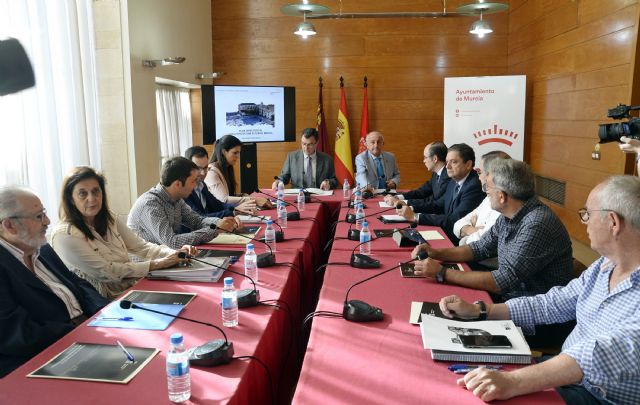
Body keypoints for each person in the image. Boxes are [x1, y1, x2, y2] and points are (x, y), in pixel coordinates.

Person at [439, 175, 640, 404]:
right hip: (563, 373)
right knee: (464, 379)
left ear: (613, 222)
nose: (584, 222)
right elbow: (552, 303)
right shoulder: (604, 265)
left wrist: (514, 382)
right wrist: (482, 311)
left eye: (587, 214)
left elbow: (600, 354)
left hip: (601, 396)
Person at [411, 158, 574, 346]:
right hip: (510, 298)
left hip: (537, 318)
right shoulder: (510, 214)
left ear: (502, 196)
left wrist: (442, 272)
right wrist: (436, 253)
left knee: (445, 329)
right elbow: (479, 248)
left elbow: (501, 281)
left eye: (487, 189)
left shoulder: (536, 224)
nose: (485, 194)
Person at [0, 186, 108, 377]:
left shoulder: (41, 248)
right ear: (9, 225)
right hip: (44, 357)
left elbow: (77, 284)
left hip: (88, 333)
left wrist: (106, 312)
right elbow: (18, 334)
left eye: (44, 213)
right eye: (38, 216)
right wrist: (81, 331)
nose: (48, 221)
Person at [50, 167, 194, 300]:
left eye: (96, 191)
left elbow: (141, 247)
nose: (92, 198)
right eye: (82, 193)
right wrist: (156, 264)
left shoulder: (109, 218)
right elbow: (108, 272)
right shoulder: (65, 235)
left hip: (130, 290)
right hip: (103, 303)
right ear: (70, 198)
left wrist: (176, 253)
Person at [128, 156, 239, 249]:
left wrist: (220, 223)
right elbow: (172, 242)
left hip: (166, 259)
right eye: (193, 181)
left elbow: (197, 221)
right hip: (146, 266)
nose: (196, 185)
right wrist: (215, 230)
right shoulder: (150, 205)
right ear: (177, 184)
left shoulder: (176, 199)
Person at [397, 143, 484, 243]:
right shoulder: (454, 180)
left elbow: (454, 220)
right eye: (447, 162)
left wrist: (415, 217)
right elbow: (438, 204)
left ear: (468, 165)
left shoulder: (474, 186)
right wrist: (411, 208)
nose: (447, 166)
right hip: (445, 230)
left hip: (456, 239)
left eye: (453, 162)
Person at [452, 150, 510, 247]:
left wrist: (466, 233)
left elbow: (483, 241)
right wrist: (474, 230)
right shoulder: (488, 198)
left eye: (480, 172)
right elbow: (457, 225)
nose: (479, 177)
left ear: (491, 174)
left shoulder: (505, 201)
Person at [204, 134, 272, 208]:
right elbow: (224, 199)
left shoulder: (227, 168)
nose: (238, 156)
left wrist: (244, 195)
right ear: (224, 152)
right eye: (235, 153)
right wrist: (254, 200)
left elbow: (230, 195)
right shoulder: (211, 172)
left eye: (239, 153)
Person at [384, 141, 450, 211]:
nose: (423, 161)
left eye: (425, 157)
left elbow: (435, 203)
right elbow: (421, 192)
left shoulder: (448, 177)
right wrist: (397, 197)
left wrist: (403, 203)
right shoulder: (436, 173)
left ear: (435, 159)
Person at [184, 146, 244, 217]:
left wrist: (236, 208)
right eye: (198, 168)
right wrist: (233, 212)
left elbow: (218, 205)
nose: (203, 173)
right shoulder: (184, 190)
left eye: (205, 167)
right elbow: (199, 218)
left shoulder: (201, 184)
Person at [271, 127, 338, 190]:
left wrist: (328, 183)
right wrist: (278, 181)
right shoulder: (291, 157)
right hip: (297, 196)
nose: (306, 148)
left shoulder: (327, 159)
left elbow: (334, 180)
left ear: (316, 143)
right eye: (304, 144)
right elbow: (284, 176)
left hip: (320, 195)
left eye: (310, 144)